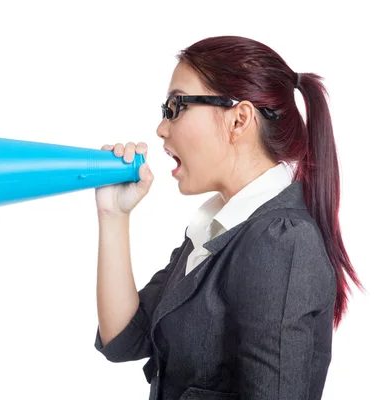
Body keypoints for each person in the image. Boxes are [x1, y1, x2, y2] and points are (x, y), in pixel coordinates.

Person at [93, 36, 362, 400]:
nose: (161, 128)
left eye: (176, 107)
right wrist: (114, 214)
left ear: (239, 119)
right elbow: (124, 338)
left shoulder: (281, 241)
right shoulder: (217, 230)